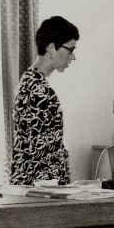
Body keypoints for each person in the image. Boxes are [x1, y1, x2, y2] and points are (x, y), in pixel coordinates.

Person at [11, 16, 78, 186]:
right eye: (70, 50)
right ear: (51, 48)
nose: (73, 57)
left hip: (29, 187)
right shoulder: (40, 91)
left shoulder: (28, 82)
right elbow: (43, 155)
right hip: (42, 191)